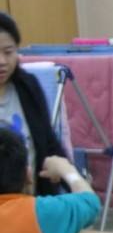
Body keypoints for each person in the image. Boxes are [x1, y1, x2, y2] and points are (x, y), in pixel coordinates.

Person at [0, 12, 67, 195]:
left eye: (8, 52)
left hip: (32, 201)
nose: (2, 61)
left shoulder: (27, 86)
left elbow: (48, 142)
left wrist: (73, 180)